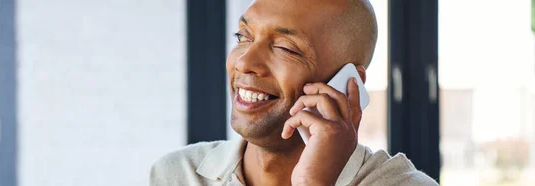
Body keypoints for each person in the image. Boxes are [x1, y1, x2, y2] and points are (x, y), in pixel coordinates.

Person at [149, 0, 439, 185]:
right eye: (243, 37)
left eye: (286, 48)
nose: (244, 62)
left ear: (348, 84)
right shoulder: (176, 175)